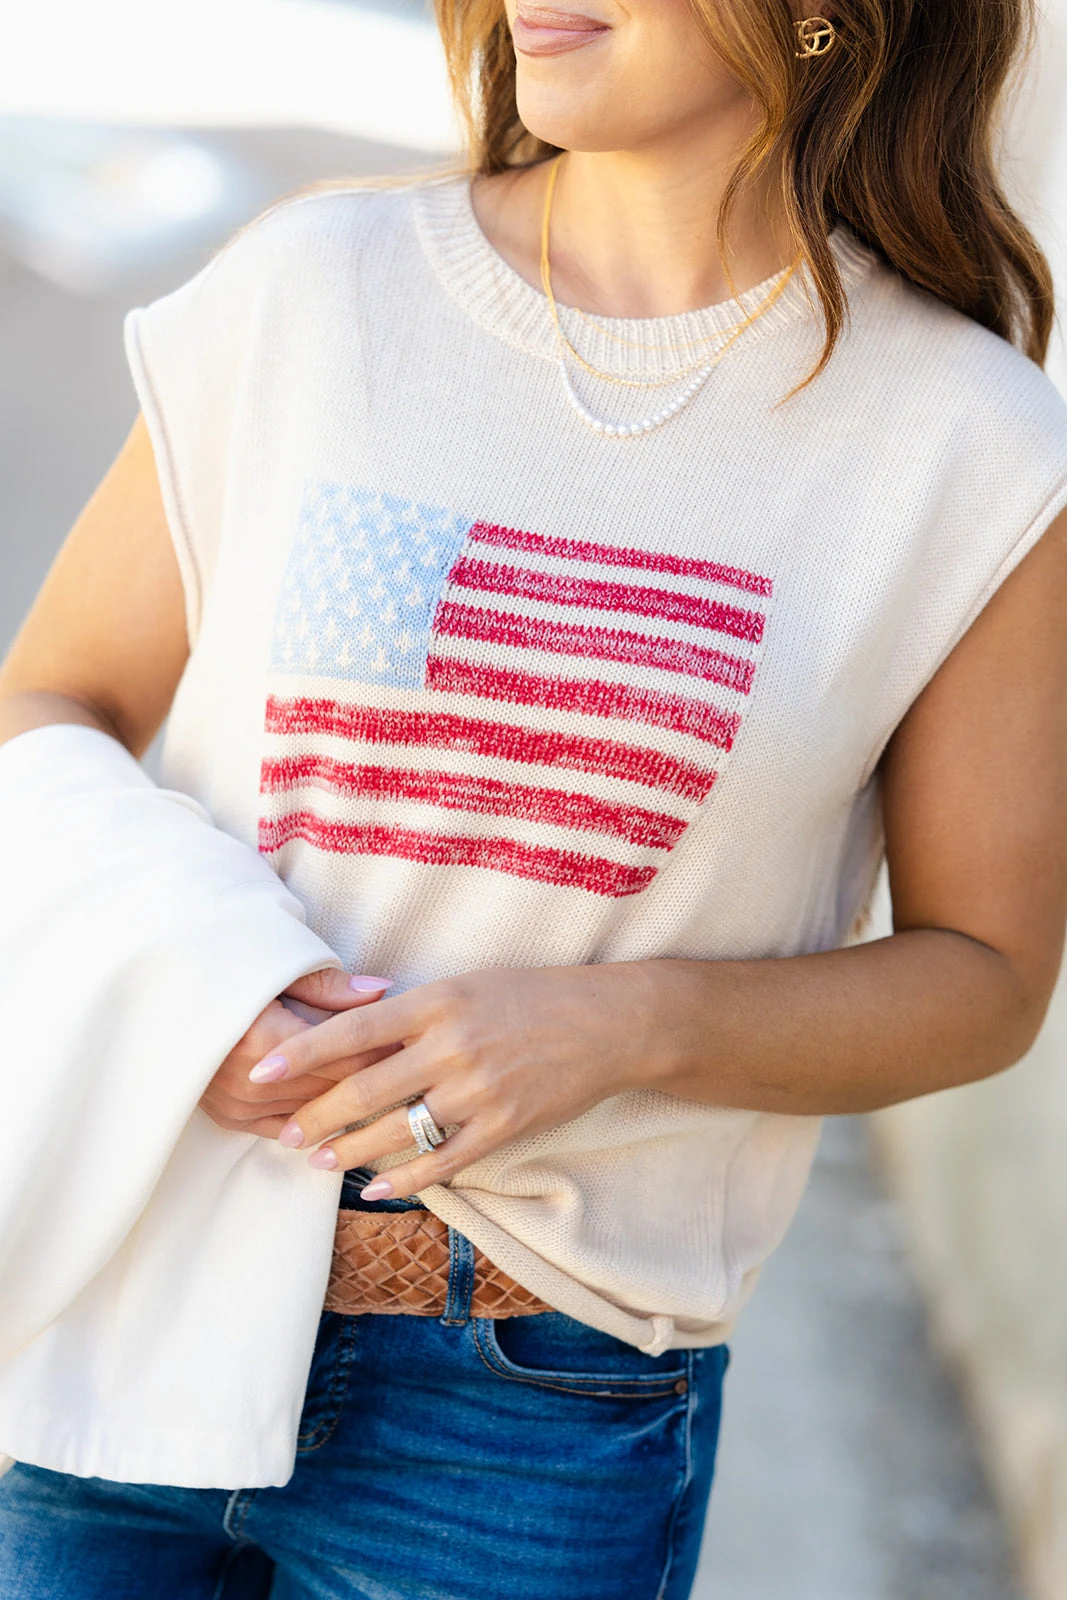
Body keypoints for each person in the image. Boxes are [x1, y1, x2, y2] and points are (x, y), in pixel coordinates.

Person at [1, 0, 1066, 1590]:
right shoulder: (318, 288)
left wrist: (626, 1030)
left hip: (528, 1421)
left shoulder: (966, 451)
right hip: (137, 1311)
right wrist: (205, 986)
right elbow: (44, 708)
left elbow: (983, 980)